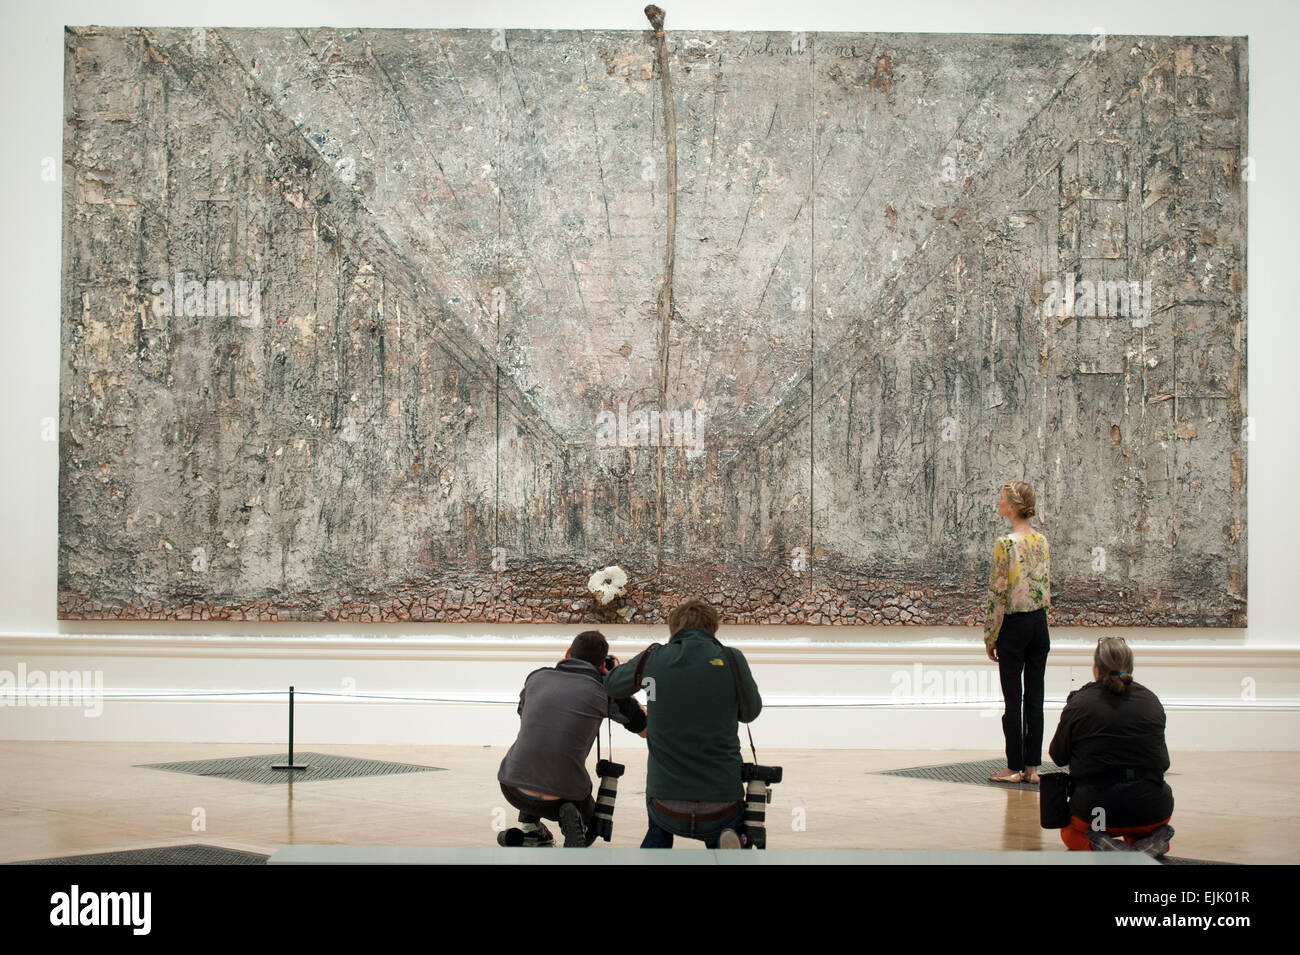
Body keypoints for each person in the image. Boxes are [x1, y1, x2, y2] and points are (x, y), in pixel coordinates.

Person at [604, 597, 762, 849]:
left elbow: (612, 685)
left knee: (658, 825)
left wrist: (620, 670)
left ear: (673, 627)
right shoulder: (733, 659)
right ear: (713, 627)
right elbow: (751, 712)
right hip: (722, 802)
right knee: (725, 830)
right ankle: (730, 840)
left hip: (664, 804)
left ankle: (657, 847)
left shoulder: (653, 659)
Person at [497, 630, 646, 847]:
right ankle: (579, 826)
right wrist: (616, 681)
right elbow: (645, 728)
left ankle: (531, 829)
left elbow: (523, 713)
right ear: (603, 664)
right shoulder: (605, 691)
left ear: (568, 653)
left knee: (540, 747)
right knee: (592, 827)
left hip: (512, 787)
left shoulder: (536, 677)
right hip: (562, 794)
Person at [1049, 636, 1175, 854]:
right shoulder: (1151, 701)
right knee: (1139, 826)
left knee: (1070, 833)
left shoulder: (1080, 703)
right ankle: (1148, 843)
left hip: (1096, 810)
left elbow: (1058, 756)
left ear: (1096, 669)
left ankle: (1105, 846)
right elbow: (1163, 763)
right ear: (1131, 668)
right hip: (1152, 809)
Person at [984, 481, 1051, 784]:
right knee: (1035, 697)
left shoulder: (1005, 544)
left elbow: (998, 593)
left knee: (1014, 699)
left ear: (1011, 506)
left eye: (1001, 499)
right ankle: (1033, 768)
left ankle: (1013, 766)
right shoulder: (1041, 540)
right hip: (1039, 624)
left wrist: (990, 635)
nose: (998, 503)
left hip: (1014, 625)